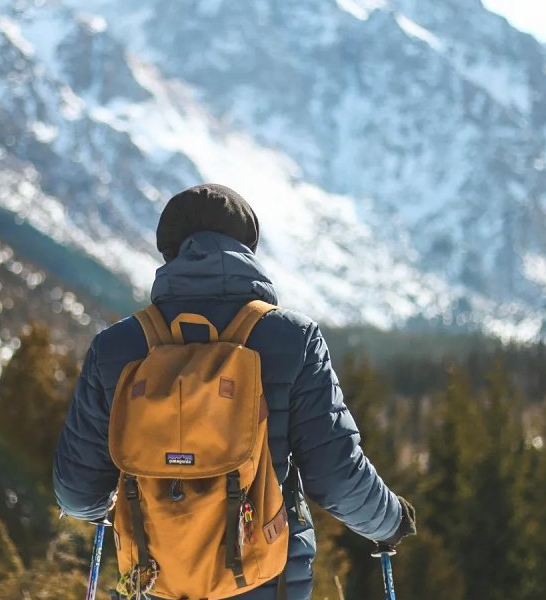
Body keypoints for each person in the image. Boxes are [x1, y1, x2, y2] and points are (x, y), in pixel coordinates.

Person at [54, 183, 416, 599]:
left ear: (169, 252)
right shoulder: (293, 339)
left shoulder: (116, 347)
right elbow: (335, 476)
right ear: (247, 249)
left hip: (153, 583)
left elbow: (78, 494)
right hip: (264, 581)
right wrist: (389, 522)